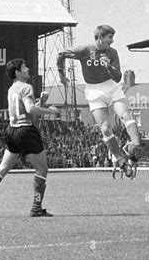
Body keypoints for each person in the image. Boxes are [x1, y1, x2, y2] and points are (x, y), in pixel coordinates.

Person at [0, 58, 61, 217]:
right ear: (17, 72)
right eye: (24, 67)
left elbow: (24, 109)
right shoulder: (26, 87)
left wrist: (40, 101)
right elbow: (30, 109)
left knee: (2, 169)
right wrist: (50, 111)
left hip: (11, 131)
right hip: (25, 131)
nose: (28, 69)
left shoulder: (11, 89)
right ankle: (36, 207)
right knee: (42, 169)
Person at [57, 25, 140, 178]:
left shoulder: (112, 53)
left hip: (112, 87)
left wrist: (108, 66)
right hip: (94, 91)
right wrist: (61, 74)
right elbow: (61, 54)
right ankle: (121, 161)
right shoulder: (85, 50)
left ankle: (134, 145)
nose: (112, 41)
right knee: (106, 128)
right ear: (100, 37)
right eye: (110, 38)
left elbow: (117, 78)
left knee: (126, 116)